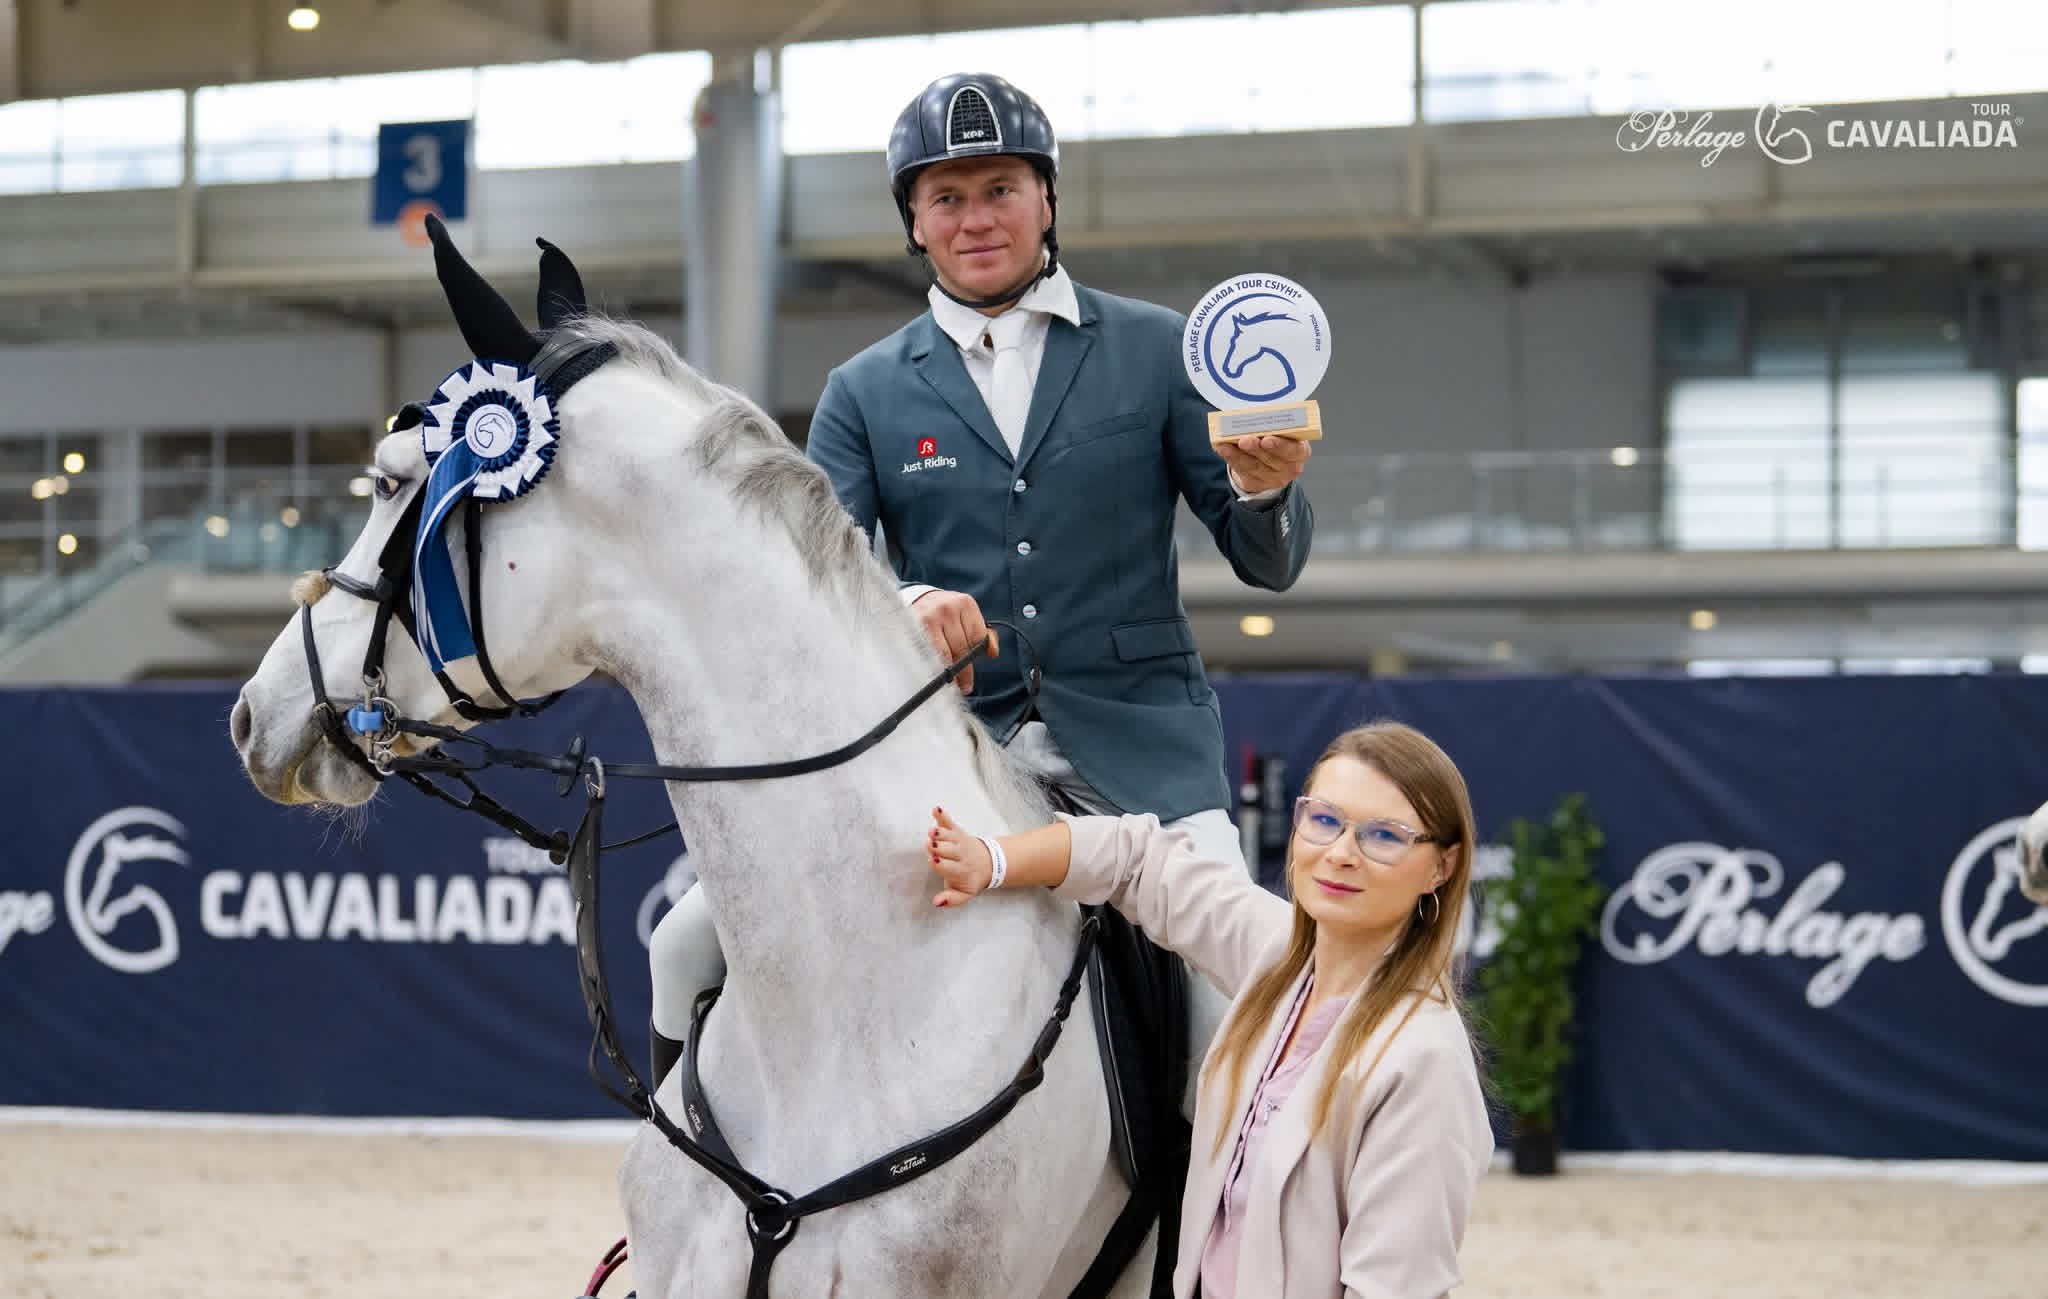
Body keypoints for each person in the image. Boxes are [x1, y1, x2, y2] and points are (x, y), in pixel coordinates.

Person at [646, 72, 1317, 1075]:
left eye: (1000, 188)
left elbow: (1267, 563)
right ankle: (679, 1159)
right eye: (947, 197)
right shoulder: (862, 393)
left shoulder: (1158, 348)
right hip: (945, 753)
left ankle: (1226, 1181)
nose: (975, 218)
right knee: (684, 945)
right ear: (914, 222)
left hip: (1141, 751)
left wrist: (1264, 490)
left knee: (1235, 1004)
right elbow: (808, 584)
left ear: (1046, 198)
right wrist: (906, 601)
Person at [924, 721, 1492, 1299]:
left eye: (1385, 836)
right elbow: (1136, 859)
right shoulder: (1277, 954)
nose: (1341, 853)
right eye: (1325, 820)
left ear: (1442, 866)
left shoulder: (1423, 1061)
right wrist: (991, 861)